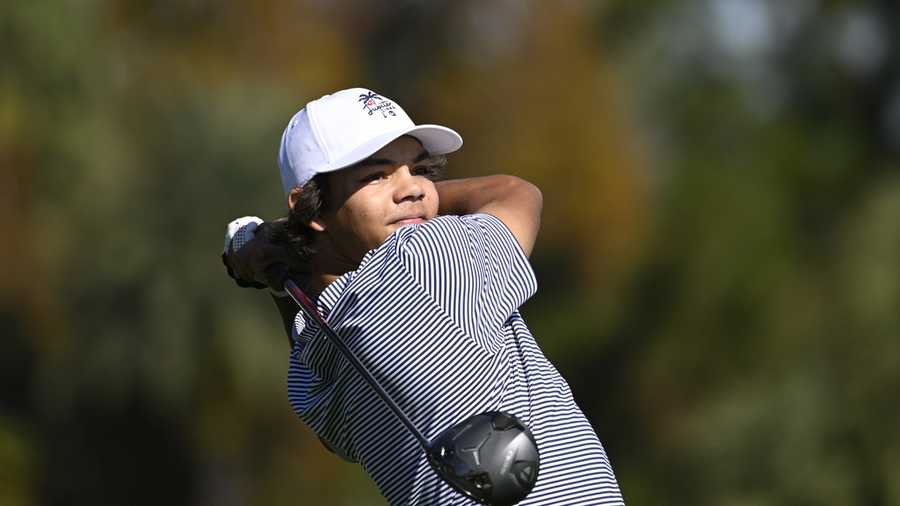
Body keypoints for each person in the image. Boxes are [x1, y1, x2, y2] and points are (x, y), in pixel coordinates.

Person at [223, 88, 624, 505]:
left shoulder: (313, 361)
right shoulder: (424, 256)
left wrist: (276, 265)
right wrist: (431, 196)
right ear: (314, 209)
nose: (411, 189)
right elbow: (515, 194)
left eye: (419, 171)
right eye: (376, 175)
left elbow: (336, 435)